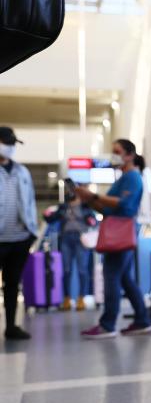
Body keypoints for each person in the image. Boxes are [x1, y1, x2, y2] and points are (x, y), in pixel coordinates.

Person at [75, 139, 151, 339]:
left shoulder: (133, 178)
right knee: (125, 278)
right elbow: (107, 207)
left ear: (130, 155)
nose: (114, 155)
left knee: (111, 276)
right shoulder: (122, 179)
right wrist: (89, 199)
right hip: (117, 229)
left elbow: (123, 203)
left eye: (117, 151)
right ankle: (142, 320)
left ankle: (108, 324)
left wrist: (93, 195)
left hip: (120, 231)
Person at [0, 126, 37, 341]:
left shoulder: (22, 171)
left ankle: (11, 326)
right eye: (7, 143)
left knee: (13, 284)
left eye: (13, 143)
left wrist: (31, 232)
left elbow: (30, 202)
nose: (10, 147)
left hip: (20, 239)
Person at [44, 183, 97, 311]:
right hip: (66, 239)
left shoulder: (85, 206)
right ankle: (67, 298)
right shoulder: (64, 206)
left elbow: (93, 221)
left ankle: (81, 299)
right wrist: (47, 215)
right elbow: (51, 219)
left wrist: (90, 220)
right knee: (66, 270)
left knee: (82, 270)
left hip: (81, 239)